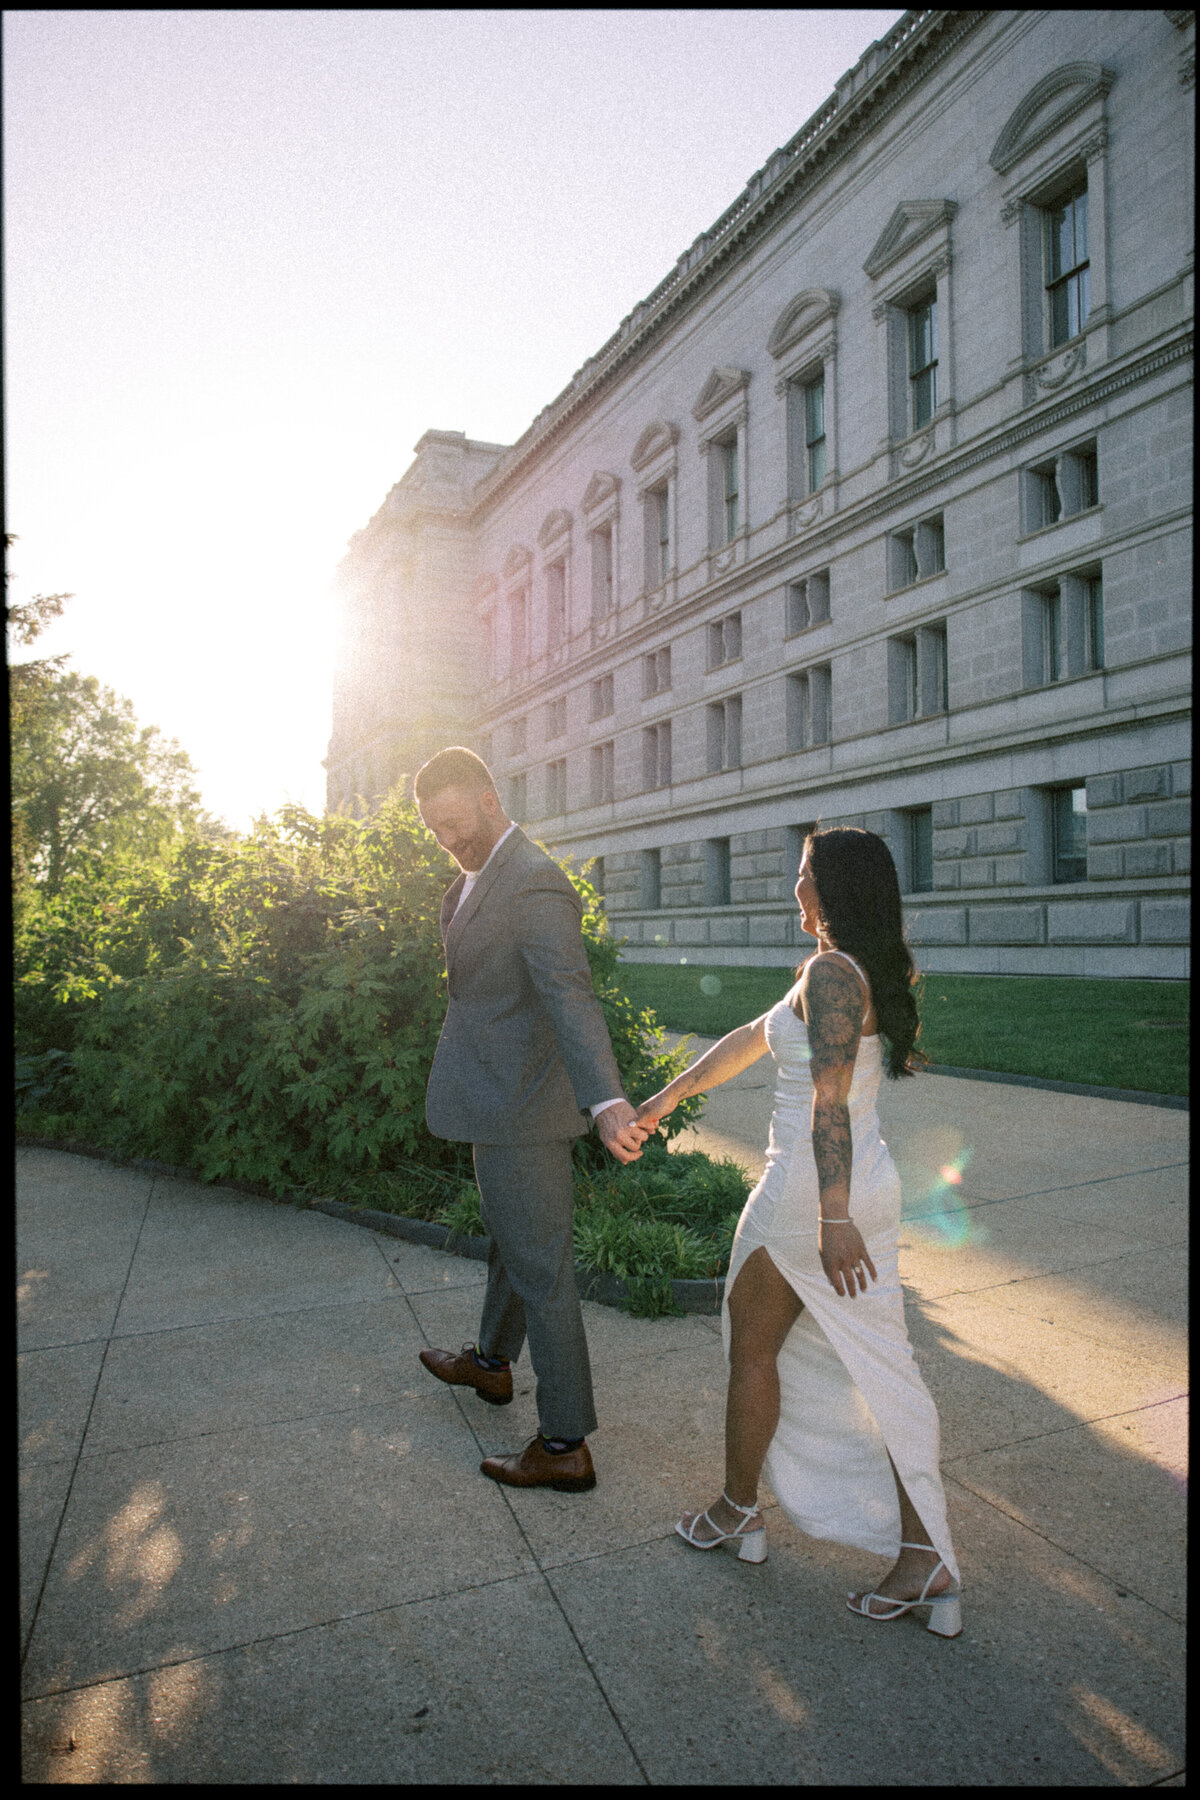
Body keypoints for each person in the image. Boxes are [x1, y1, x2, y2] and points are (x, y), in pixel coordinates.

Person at [635, 826, 962, 1637]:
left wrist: (833, 1218)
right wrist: (661, 1101)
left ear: (836, 889)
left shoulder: (832, 973)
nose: (795, 888)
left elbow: (829, 1104)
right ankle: (924, 1558)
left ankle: (739, 1511)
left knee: (756, 1353)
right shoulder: (841, 972)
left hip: (811, 1197)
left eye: (806, 874)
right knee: (884, 1368)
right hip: (847, 1190)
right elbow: (747, 1042)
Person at [413, 747, 646, 1495]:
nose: (450, 841)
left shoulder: (533, 878)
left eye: (456, 824)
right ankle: (488, 1364)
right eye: (436, 833)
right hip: (495, 1095)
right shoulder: (478, 877)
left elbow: (569, 995)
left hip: (523, 1105)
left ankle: (565, 1441)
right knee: (514, 1242)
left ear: (488, 798)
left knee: (542, 1269)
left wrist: (605, 1100)